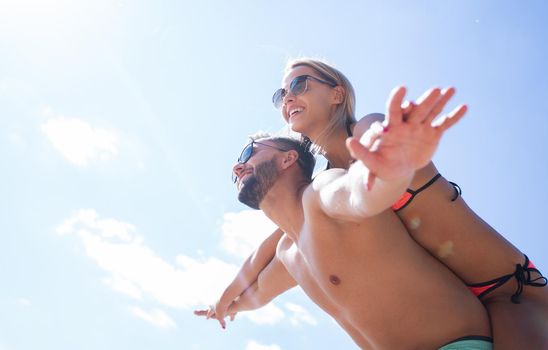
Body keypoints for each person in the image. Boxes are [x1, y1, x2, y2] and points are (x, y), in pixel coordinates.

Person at [210, 58, 548, 349]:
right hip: (457, 304)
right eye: (281, 94)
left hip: (509, 289)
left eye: (299, 84)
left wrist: (391, 153)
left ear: (336, 93)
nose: (289, 97)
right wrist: (226, 301)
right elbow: (278, 242)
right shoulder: (325, 189)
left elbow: (377, 144)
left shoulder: (368, 135)